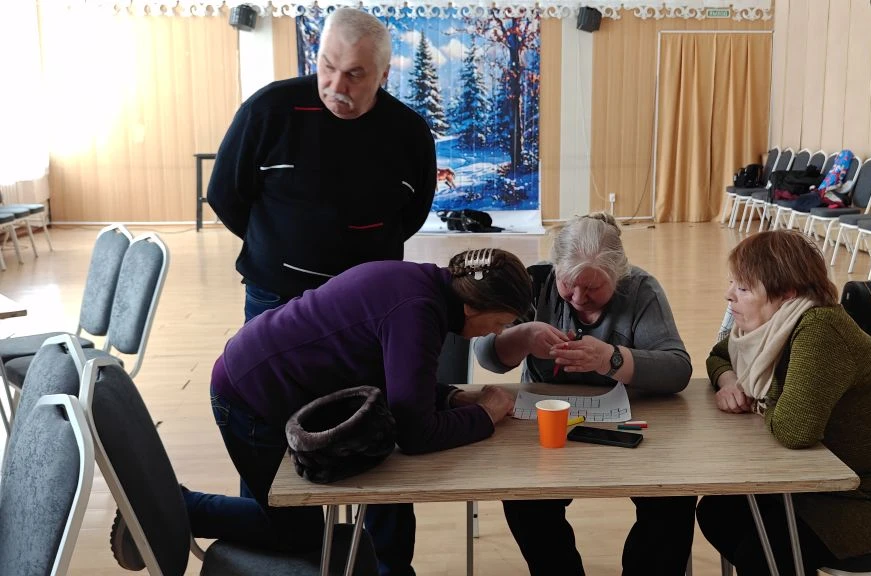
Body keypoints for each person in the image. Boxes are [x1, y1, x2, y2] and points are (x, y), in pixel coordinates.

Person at [110, 249, 533, 574]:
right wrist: (487, 414)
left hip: (272, 377)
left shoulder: (422, 285)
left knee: (351, 501)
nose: (498, 332)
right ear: (474, 306)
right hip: (251, 396)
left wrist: (448, 398)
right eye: (501, 321)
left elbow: (395, 378)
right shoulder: (417, 311)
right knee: (297, 532)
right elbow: (415, 434)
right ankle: (175, 508)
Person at [697, 230, 871, 575]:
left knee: (765, 553)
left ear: (787, 293)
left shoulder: (821, 330)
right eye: (732, 284)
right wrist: (729, 379)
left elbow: (794, 429)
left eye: (743, 288)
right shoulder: (777, 325)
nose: (728, 296)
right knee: (718, 513)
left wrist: (758, 399)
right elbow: (720, 355)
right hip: (828, 482)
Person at [473, 213, 696, 575]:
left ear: (618, 275)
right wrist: (523, 337)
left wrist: (613, 359)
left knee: (673, 501)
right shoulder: (534, 283)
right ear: (554, 268)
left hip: (629, 426)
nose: (579, 298)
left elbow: (678, 369)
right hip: (547, 429)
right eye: (569, 284)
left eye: (594, 288)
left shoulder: (641, 289)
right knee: (524, 500)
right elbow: (486, 356)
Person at [206, 7, 437, 323]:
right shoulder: (269, 111)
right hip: (276, 295)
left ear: (384, 73)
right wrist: (274, 244)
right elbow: (224, 194)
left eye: (355, 74)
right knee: (269, 374)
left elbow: (412, 215)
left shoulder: (410, 133)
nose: (336, 86)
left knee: (360, 375)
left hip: (366, 299)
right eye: (327, 66)